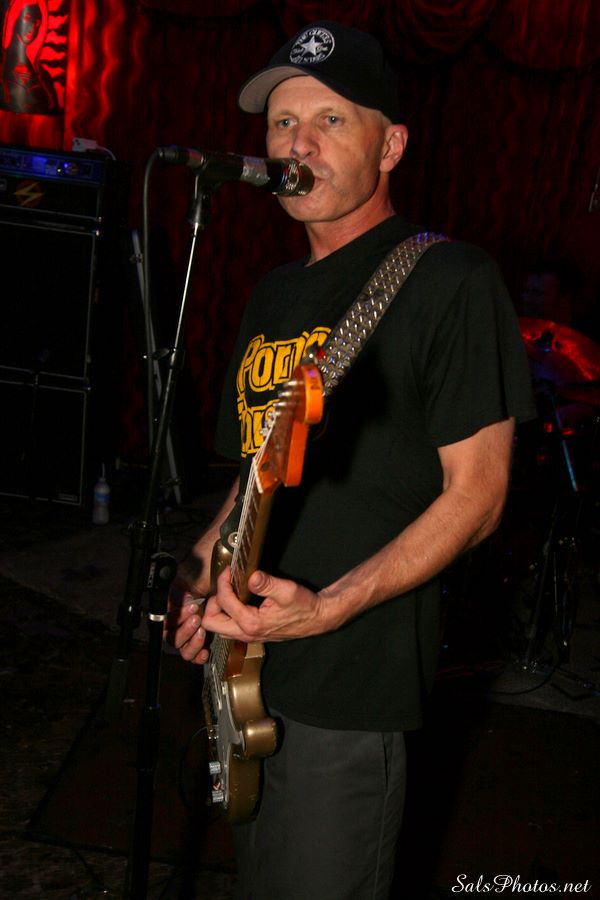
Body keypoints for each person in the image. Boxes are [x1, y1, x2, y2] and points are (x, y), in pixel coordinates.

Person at [166, 20, 536, 899]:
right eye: (283, 123)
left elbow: (479, 497)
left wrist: (328, 608)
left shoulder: (449, 280)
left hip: (350, 682)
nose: (298, 144)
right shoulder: (272, 294)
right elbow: (252, 478)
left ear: (391, 146)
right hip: (247, 670)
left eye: (331, 120)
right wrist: (199, 580)